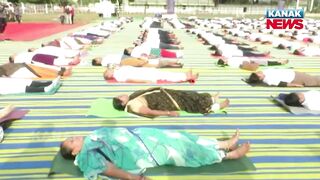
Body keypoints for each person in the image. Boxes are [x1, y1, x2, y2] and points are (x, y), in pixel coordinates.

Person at [60, 127, 250, 180]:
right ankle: (226, 155)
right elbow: (106, 168)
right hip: (143, 149)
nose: (74, 137)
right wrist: (132, 178)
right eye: (71, 141)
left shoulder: (91, 137)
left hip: (142, 135)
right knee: (182, 151)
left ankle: (223, 143)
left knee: (181, 135)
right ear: (75, 151)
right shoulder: (86, 155)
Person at [113, 87, 230, 118]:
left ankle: (212, 98)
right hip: (163, 101)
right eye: (120, 97)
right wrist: (169, 113)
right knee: (187, 102)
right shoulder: (132, 105)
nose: (121, 95)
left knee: (187, 95)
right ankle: (214, 106)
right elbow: (150, 111)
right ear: (122, 104)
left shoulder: (132, 98)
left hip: (162, 95)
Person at [104, 66, 198, 84]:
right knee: (165, 76)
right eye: (107, 71)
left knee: (165, 73)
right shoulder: (118, 76)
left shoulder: (117, 70)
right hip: (143, 76)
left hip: (143, 71)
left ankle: (185, 75)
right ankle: (186, 77)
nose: (108, 70)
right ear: (109, 75)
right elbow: (130, 80)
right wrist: (144, 81)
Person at [248, 68, 320, 87]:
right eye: (258, 74)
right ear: (260, 78)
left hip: (294, 73)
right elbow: (282, 84)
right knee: (315, 81)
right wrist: (295, 85)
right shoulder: (268, 80)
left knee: (314, 78)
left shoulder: (264, 72)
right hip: (295, 78)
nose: (259, 72)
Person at [92, 54, 183, 68]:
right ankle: (176, 60)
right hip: (123, 60)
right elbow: (113, 65)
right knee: (158, 60)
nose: (98, 57)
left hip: (125, 58)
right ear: (97, 62)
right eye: (97, 59)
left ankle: (176, 60)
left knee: (157, 57)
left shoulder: (105, 58)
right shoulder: (104, 62)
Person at [0, 63, 71, 79]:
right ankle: (60, 73)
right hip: (12, 71)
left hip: (12, 68)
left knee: (31, 67)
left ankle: (60, 72)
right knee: (33, 71)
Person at [217, 57, 288, 71]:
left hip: (248, 59)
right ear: (224, 62)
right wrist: (250, 63)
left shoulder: (230, 60)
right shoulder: (231, 63)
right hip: (249, 62)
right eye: (224, 59)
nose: (225, 58)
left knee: (263, 61)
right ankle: (279, 62)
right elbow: (242, 65)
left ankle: (279, 61)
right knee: (264, 62)